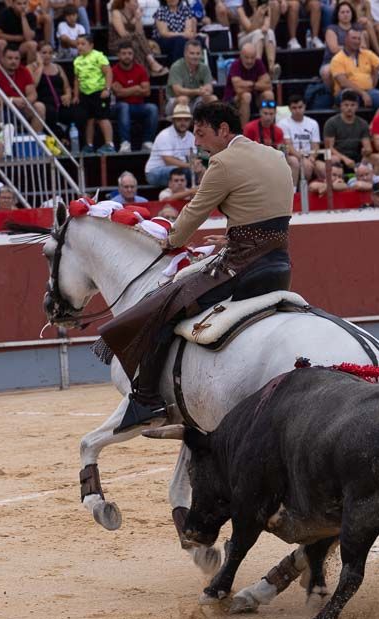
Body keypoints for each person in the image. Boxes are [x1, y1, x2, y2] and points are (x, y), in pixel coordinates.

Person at [99, 102, 295, 431]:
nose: (196, 142)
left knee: (165, 304)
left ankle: (147, 398)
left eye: (202, 133)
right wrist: (235, 238)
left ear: (223, 130)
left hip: (242, 267)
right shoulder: (275, 156)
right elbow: (268, 217)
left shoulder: (222, 163)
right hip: (279, 262)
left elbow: (192, 214)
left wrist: (170, 240)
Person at [72, 33, 114, 154]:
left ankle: (109, 144)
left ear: (91, 45)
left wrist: (107, 89)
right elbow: (77, 79)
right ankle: (89, 145)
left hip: (99, 93)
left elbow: (108, 72)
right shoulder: (77, 61)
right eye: (78, 44)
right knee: (89, 119)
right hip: (85, 95)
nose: (80, 46)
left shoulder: (98, 56)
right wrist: (76, 95)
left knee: (102, 118)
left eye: (83, 44)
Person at [110, 43, 156, 153]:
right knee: (124, 106)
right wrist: (136, 88)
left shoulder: (140, 69)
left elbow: (147, 92)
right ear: (118, 55)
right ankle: (125, 143)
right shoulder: (113, 71)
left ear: (133, 55)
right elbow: (118, 94)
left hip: (137, 106)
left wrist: (125, 90)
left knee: (152, 108)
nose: (127, 56)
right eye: (124, 53)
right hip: (119, 107)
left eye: (130, 53)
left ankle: (147, 142)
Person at [330, 27, 379, 109]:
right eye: (354, 38)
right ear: (346, 39)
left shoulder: (367, 54)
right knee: (350, 100)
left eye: (359, 39)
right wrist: (362, 93)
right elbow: (343, 83)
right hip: (346, 91)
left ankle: (375, 121)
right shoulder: (337, 59)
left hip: (368, 91)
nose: (357, 41)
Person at [0, 46, 45, 133]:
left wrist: (25, 101)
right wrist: (12, 100)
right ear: (3, 59)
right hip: (3, 109)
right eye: (10, 58)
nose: (13, 61)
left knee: (40, 107)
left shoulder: (24, 71)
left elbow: (33, 94)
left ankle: (34, 142)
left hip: (21, 107)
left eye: (16, 58)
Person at [144, 100, 198, 187]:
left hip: (179, 168)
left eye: (186, 120)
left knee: (200, 171)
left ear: (190, 121)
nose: (183, 123)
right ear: (173, 120)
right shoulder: (165, 135)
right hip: (154, 172)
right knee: (179, 172)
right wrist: (190, 166)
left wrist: (196, 166)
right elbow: (168, 160)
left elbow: (193, 157)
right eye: (179, 119)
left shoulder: (191, 136)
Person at [324, 89, 376, 173]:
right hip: (338, 155)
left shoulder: (363, 123)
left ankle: (373, 181)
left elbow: (368, 146)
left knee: (377, 158)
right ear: (341, 106)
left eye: (352, 105)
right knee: (333, 159)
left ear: (357, 106)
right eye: (346, 105)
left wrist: (366, 151)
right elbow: (329, 147)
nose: (349, 108)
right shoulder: (331, 122)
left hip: (356, 155)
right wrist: (344, 159)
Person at [108, 0, 166, 75]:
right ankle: (151, 64)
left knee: (135, 45)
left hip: (133, 42)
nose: (137, 4)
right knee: (136, 43)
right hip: (117, 44)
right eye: (135, 1)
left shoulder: (135, 14)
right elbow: (122, 34)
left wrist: (138, 19)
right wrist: (137, 33)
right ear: (126, 2)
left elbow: (140, 32)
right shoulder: (116, 13)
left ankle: (143, 76)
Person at [225, 41, 274, 123]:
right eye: (246, 57)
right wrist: (257, 83)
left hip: (254, 98)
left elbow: (268, 85)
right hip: (234, 100)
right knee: (246, 96)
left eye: (252, 58)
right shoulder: (235, 65)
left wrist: (251, 84)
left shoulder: (258, 63)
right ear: (241, 56)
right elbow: (238, 89)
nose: (249, 61)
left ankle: (268, 126)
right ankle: (244, 131)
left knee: (269, 94)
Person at [278, 94, 322, 184]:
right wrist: (302, 158)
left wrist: (312, 157)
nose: (297, 110)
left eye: (300, 107)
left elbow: (315, 145)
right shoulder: (283, 124)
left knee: (323, 168)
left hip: (309, 156)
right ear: (289, 109)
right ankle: (300, 192)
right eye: (294, 108)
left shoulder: (313, 123)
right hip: (293, 156)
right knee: (306, 166)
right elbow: (288, 146)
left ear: (304, 107)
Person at [164, 38, 214, 116]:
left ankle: (209, 127)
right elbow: (178, 91)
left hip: (196, 101)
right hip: (175, 102)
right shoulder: (176, 67)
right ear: (185, 54)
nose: (195, 56)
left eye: (198, 53)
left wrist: (205, 91)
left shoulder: (204, 67)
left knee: (212, 99)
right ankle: (183, 127)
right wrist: (197, 91)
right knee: (183, 99)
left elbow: (209, 88)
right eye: (192, 53)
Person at [152, 0, 196, 65]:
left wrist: (183, 35)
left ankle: (209, 72)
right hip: (163, 41)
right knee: (180, 41)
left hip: (182, 40)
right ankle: (177, 71)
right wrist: (182, 35)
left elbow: (188, 32)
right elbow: (164, 33)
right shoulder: (161, 11)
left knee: (199, 41)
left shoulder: (185, 10)